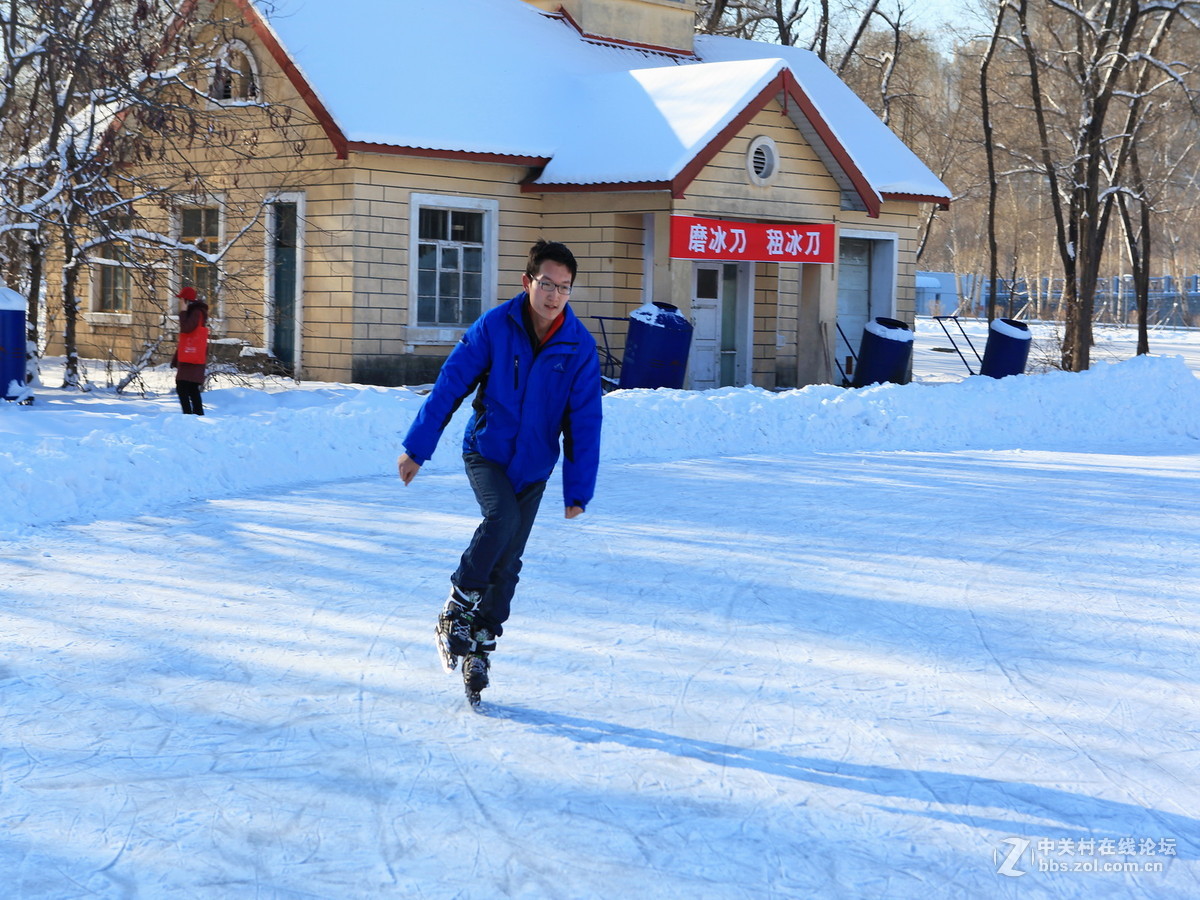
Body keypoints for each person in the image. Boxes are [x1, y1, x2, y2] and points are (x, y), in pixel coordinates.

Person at [398, 239, 603, 705]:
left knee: (508, 562)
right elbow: (451, 384)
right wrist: (417, 447)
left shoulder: (578, 347)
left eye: (564, 288)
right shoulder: (495, 326)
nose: (554, 297)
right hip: (487, 453)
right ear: (528, 281)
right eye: (547, 284)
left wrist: (578, 489)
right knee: (501, 520)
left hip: (532, 467)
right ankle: (458, 604)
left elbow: (585, 422)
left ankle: (479, 648)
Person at [172, 286, 208, 415]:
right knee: (191, 388)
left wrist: (182, 311)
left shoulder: (196, 312)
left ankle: (188, 416)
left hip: (192, 358)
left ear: (186, 301)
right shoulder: (195, 312)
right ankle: (196, 416)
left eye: (181, 299)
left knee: (183, 386)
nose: (179, 302)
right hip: (191, 357)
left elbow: (186, 328)